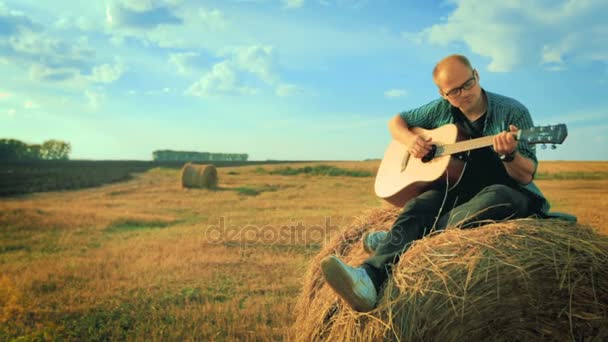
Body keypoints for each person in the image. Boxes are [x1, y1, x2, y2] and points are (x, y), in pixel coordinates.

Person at [321, 54, 549, 312]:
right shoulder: (441, 110)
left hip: (508, 192)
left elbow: (525, 175)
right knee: (421, 204)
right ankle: (368, 278)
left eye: (468, 84)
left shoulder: (513, 111)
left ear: (477, 74)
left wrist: (509, 154)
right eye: (454, 91)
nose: (464, 94)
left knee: (497, 197)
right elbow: (396, 121)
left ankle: (404, 237)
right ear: (443, 94)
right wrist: (410, 141)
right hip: (458, 190)